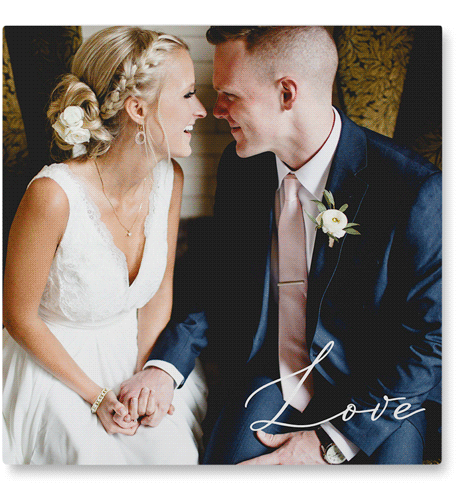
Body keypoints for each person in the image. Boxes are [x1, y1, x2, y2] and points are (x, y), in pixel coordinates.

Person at [118, 26, 442, 465]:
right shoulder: (241, 167)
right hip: (271, 382)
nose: (216, 109)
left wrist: (329, 443)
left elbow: (433, 340)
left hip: (380, 402)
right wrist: (164, 368)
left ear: (287, 93)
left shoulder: (413, 189)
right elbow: (215, 279)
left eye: (230, 95)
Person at [2, 26, 208, 465]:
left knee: (173, 458)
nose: (202, 109)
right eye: (188, 94)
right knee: (92, 460)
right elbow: (18, 317)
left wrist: (145, 377)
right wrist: (96, 397)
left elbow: (159, 294)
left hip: (130, 353)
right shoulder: (53, 196)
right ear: (138, 108)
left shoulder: (170, 180)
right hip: (53, 363)